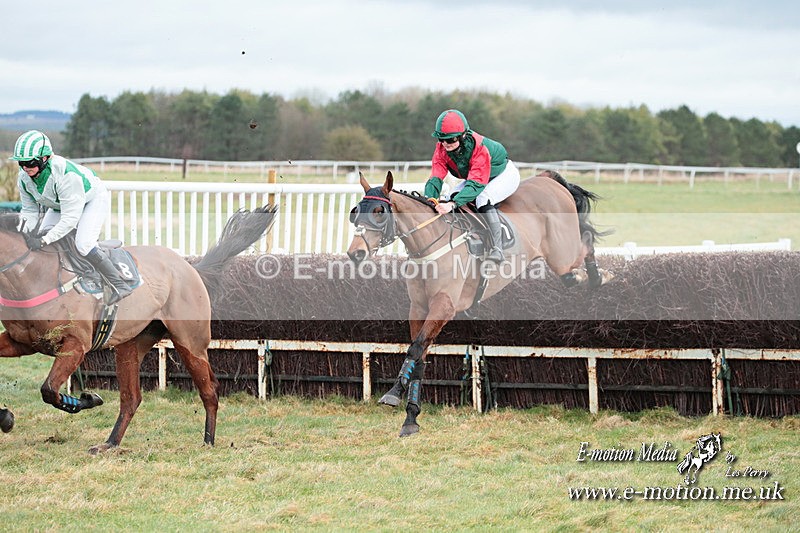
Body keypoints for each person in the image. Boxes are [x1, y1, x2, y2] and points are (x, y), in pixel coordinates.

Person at [9, 130, 133, 304]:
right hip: (60, 203)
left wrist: (44, 240)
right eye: (21, 163)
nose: (25, 167)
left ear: (44, 158)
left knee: (83, 244)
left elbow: (69, 219)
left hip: (92, 199)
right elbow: (29, 211)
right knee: (42, 234)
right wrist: (25, 233)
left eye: (30, 162)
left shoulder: (65, 174)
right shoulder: (24, 178)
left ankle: (119, 284)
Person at [423, 109, 520, 262]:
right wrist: (429, 199)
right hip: (479, 176)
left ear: (463, 136)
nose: (445, 144)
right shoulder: (441, 149)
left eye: (450, 140)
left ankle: (497, 248)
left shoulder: (479, 148)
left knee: (482, 198)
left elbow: (476, 184)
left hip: (503, 174)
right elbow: (436, 177)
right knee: (449, 196)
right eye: (442, 139)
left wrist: (453, 204)